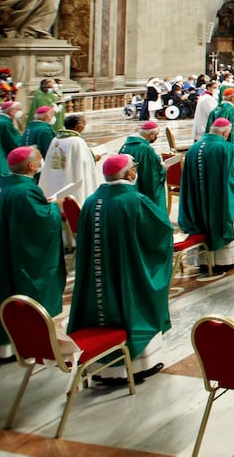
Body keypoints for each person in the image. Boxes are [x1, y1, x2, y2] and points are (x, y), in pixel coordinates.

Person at [68, 154, 173, 381]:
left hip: (97, 277)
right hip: (128, 273)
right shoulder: (135, 201)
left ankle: (102, 367)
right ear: (130, 173)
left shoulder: (90, 202)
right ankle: (138, 366)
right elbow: (160, 232)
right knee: (133, 305)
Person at [0, 146, 64, 360]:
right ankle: (14, 346)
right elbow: (41, 224)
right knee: (15, 287)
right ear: (32, 166)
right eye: (39, 159)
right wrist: (53, 208)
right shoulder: (24, 191)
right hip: (14, 257)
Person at [178, 117, 234, 273]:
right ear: (224, 133)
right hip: (220, 200)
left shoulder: (193, 149)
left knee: (201, 217)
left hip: (197, 201)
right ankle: (225, 260)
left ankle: (203, 260)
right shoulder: (228, 149)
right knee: (221, 219)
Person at [39, 113, 101, 203]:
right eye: (84, 123)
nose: (85, 126)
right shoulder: (77, 141)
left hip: (55, 177)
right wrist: (94, 157)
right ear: (79, 126)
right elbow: (84, 162)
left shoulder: (55, 139)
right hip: (71, 178)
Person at [119, 120, 168, 214]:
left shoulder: (125, 145)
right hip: (142, 191)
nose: (156, 137)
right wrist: (163, 169)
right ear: (152, 135)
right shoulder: (146, 149)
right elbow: (152, 175)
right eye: (156, 135)